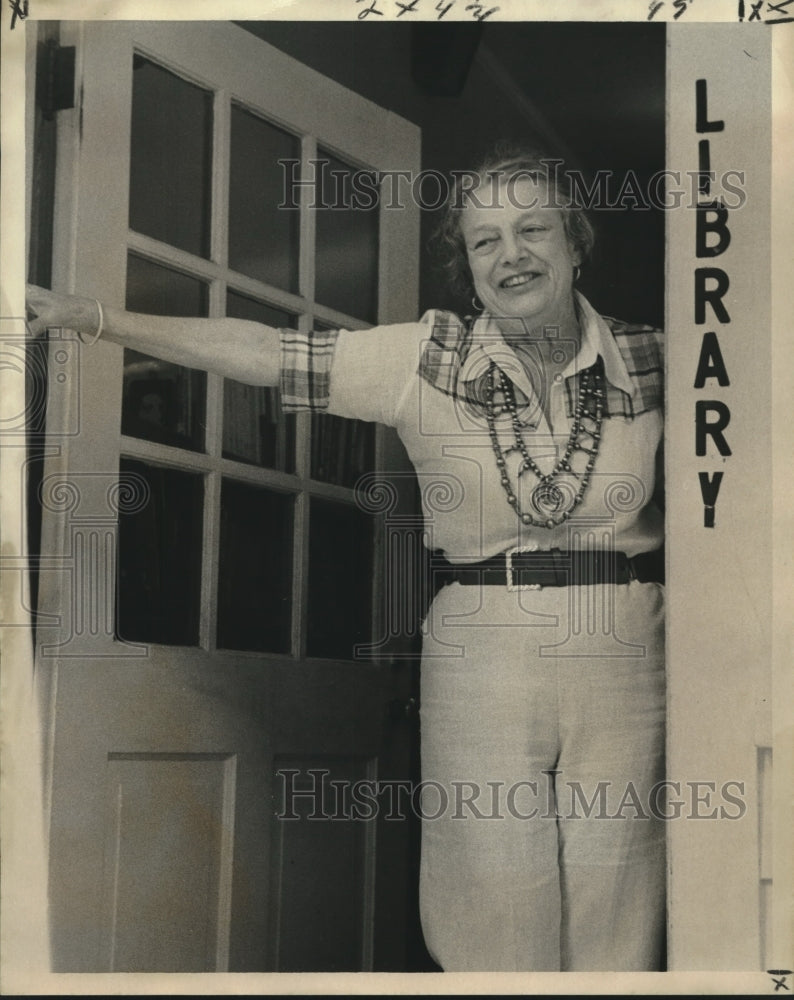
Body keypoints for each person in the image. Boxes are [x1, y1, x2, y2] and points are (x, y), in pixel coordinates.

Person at [26, 150, 666, 972]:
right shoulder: (423, 358)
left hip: (626, 640)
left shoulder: (655, 359)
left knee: (624, 886)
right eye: (485, 241)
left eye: (533, 229)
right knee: (494, 890)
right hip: (485, 642)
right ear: (469, 271)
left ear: (575, 243)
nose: (512, 255)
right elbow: (264, 351)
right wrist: (102, 319)